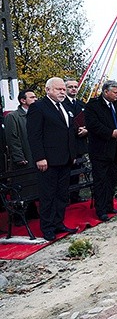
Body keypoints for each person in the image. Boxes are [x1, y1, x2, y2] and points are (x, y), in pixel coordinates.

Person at [27, 77, 78, 241]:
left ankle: (58, 223)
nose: (62, 92)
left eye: (63, 89)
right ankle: (47, 228)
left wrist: (73, 154)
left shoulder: (64, 107)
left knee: (62, 194)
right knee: (48, 195)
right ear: (48, 90)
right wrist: (40, 157)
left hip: (65, 159)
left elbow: (68, 132)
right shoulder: (38, 107)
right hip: (48, 160)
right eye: (58, 89)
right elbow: (34, 135)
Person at [85, 80, 117, 221]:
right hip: (101, 149)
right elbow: (93, 125)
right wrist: (111, 133)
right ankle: (101, 209)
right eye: (115, 92)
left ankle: (110, 205)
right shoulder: (93, 105)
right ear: (106, 92)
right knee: (101, 180)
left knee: (112, 179)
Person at [4, 89, 39, 222]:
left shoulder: (35, 114)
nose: (35, 99)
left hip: (34, 156)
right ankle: (18, 216)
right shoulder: (13, 117)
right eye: (32, 97)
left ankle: (31, 210)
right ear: (23, 100)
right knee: (21, 186)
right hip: (23, 158)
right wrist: (18, 156)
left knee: (33, 185)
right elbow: (13, 138)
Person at [63, 78, 89, 203]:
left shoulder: (81, 104)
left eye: (75, 86)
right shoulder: (62, 104)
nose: (73, 89)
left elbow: (89, 121)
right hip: (67, 144)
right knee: (66, 172)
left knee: (77, 171)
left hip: (80, 144)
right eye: (70, 87)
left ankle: (75, 196)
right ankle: (65, 197)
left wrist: (86, 130)